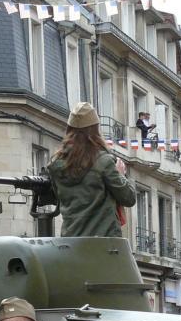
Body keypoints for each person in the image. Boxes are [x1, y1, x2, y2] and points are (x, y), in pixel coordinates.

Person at [48, 102, 136, 238]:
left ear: (69, 129)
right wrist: (120, 174)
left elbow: (58, 199)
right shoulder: (104, 162)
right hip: (104, 244)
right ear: (95, 129)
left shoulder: (56, 165)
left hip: (71, 242)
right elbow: (129, 198)